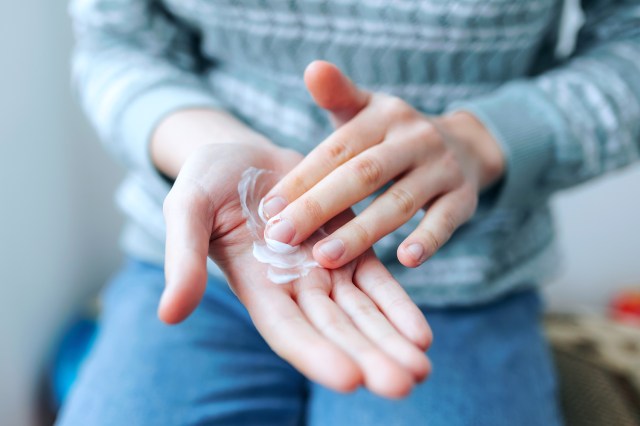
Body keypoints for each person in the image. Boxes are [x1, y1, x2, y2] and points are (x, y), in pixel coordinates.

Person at [59, 0, 640, 425]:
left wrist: (482, 141)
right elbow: (118, 43)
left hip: (463, 277)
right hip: (214, 252)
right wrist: (203, 144)